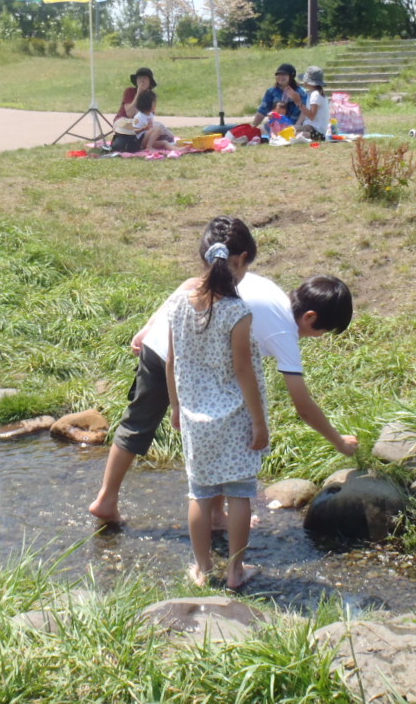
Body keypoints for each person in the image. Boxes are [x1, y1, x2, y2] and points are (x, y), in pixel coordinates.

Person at [88, 216, 358, 526]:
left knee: (144, 423)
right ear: (310, 317)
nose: (317, 338)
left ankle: (121, 501)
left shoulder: (264, 288)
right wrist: (338, 442)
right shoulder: (284, 332)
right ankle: (190, 510)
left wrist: (150, 324)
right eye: (322, 332)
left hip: (166, 342)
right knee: (180, 424)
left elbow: (193, 283)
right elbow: (303, 404)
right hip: (177, 354)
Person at [165, 219, 267, 589]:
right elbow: (244, 372)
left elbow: (171, 361)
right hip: (236, 415)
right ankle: (236, 572)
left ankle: (203, 569)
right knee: (240, 492)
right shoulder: (237, 312)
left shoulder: (177, 303)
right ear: (239, 260)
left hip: (194, 415)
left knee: (201, 493)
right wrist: (259, 422)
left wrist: (176, 407)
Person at [250, 64, 307, 130]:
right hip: (276, 124)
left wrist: (297, 125)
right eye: (278, 75)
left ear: (291, 76)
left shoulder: (300, 92)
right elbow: (262, 111)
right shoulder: (271, 92)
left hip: (295, 124)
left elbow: (304, 112)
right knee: (260, 130)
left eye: (284, 75)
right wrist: (253, 126)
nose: (280, 77)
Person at [295, 66, 329, 141]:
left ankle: (319, 137)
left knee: (296, 133)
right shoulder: (312, 93)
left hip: (317, 131)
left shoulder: (315, 94)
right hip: (311, 127)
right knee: (291, 130)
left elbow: (311, 116)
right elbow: (306, 113)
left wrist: (298, 102)